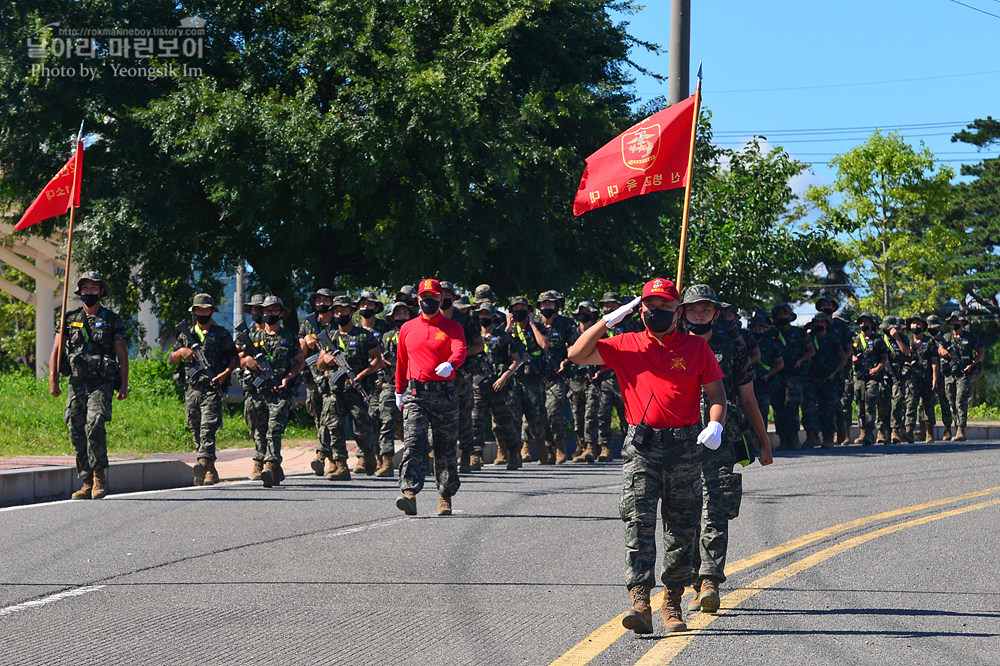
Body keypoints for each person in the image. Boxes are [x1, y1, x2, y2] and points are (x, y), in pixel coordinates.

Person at [568, 277, 727, 635]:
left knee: (681, 529)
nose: (656, 313)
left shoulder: (696, 348)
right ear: (640, 311)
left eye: (665, 307)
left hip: (685, 446)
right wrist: (608, 320)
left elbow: (717, 395)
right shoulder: (625, 344)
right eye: (649, 307)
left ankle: (671, 602)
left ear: (677, 312)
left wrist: (714, 425)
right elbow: (576, 354)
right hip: (642, 447)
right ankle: (640, 601)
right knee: (638, 523)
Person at [680, 285, 772, 616]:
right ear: (683, 312)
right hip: (678, 440)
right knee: (684, 512)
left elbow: (748, 397)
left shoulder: (732, 348)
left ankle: (709, 581)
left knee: (714, 510)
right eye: (693, 309)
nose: (699, 314)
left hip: (721, 440)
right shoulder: (671, 345)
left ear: (716, 314)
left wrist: (763, 441)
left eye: (706, 309)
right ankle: (691, 581)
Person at [49, 271, 129, 500]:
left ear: (101, 291)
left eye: (93, 288)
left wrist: (124, 384)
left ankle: (99, 477)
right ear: (79, 292)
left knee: (94, 425)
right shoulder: (69, 317)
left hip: (101, 383)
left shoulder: (113, 319)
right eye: (85, 288)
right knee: (76, 429)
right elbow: (56, 349)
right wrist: (53, 379)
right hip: (77, 383)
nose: (89, 292)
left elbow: (122, 354)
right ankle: (85, 480)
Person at [394, 279, 468, 516]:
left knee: (444, 447)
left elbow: (460, 349)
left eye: (433, 298)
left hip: (444, 394)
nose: (428, 301)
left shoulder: (452, 327)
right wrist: (398, 390)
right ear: (418, 299)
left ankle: (445, 496)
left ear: (440, 299)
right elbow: (401, 361)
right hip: (416, 394)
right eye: (424, 297)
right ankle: (409, 493)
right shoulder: (407, 328)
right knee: (414, 443)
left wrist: (451, 363)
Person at [169, 293, 239, 485]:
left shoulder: (221, 334)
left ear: (212, 311)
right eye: (199, 309)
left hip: (212, 388)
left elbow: (234, 358)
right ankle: (210, 467)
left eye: (206, 309)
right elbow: (171, 358)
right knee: (195, 427)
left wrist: (225, 374)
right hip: (192, 389)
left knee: (208, 428)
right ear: (194, 312)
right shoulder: (186, 334)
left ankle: (204, 463)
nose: (202, 313)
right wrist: (181, 352)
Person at [239, 295, 305, 486]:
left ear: (282, 313)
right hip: (257, 391)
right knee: (258, 431)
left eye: (275, 310)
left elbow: (300, 362)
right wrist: (247, 362)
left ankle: (270, 464)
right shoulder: (252, 336)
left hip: (279, 392)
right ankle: (264, 461)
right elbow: (241, 358)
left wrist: (288, 378)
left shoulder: (289, 337)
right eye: (267, 310)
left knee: (274, 430)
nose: (270, 313)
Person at [319, 294, 382, 477]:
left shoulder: (363, 336)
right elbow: (319, 365)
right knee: (335, 428)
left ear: (352, 312)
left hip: (355, 390)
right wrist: (326, 359)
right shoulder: (329, 336)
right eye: (337, 311)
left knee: (361, 430)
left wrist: (361, 376)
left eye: (344, 310)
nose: (340, 314)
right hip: (335, 391)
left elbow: (377, 359)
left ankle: (368, 454)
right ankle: (341, 465)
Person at [472, 301, 524, 469]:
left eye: (487, 315)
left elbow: (516, 360)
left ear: (493, 317)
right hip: (478, 386)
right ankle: (475, 455)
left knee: (505, 422)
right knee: (475, 421)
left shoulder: (503, 336)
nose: (483, 317)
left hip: (499, 387)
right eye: (481, 314)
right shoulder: (474, 337)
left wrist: (504, 378)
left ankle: (513, 453)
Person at [439, 281, 484, 471]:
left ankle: (467, 454)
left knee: (465, 415)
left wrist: (459, 356)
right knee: (439, 416)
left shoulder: (464, 320)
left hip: (461, 375)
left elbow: (479, 345)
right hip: (437, 377)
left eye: (448, 294)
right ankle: (437, 455)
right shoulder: (428, 319)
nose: (444, 298)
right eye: (441, 294)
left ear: (454, 298)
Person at [506, 295, 551, 463]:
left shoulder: (538, 327)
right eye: (515, 309)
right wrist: (509, 326)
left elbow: (544, 344)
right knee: (514, 417)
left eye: (522, 309)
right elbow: (500, 345)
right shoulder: (509, 329)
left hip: (533, 379)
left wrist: (532, 324)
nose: (519, 312)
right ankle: (515, 454)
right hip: (515, 379)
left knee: (536, 417)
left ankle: (542, 451)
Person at [594, 292, 637, 460]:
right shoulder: (601, 326)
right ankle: (605, 447)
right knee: (602, 413)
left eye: (612, 304)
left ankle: (632, 445)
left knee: (626, 414)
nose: (608, 308)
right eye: (605, 305)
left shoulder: (630, 325)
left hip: (625, 378)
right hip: (605, 378)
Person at [537, 290, 578, 464]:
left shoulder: (566, 323)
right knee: (539, 413)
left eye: (550, 304)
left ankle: (559, 443)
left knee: (553, 411)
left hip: (558, 375)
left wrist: (566, 361)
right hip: (537, 375)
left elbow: (575, 346)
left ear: (557, 306)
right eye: (544, 304)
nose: (547, 307)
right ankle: (548, 449)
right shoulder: (534, 325)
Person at [372, 302, 411, 476]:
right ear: (392, 317)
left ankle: (420, 456)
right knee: (386, 422)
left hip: (411, 384)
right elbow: (378, 361)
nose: (401, 316)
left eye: (405, 313)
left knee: (412, 423)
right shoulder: (385, 337)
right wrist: (381, 378)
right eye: (398, 313)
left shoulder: (414, 334)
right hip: (389, 384)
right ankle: (386, 461)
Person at [300, 288, 336, 475]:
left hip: (333, 376)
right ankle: (328, 456)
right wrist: (306, 340)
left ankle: (324, 456)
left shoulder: (338, 321)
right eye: (318, 299)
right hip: (313, 377)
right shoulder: (308, 323)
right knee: (318, 417)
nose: (322, 302)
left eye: (325, 299)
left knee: (329, 417)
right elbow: (301, 354)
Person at [769, 303, 814, 450]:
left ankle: (794, 438)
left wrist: (800, 360)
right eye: (779, 314)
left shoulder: (799, 332)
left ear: (790, 316)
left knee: (792, 405)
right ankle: (783, 439)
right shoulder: (771, 334)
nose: (782, 317)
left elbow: (810, 350)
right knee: (778, 408)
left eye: (785, 314)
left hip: (794, 376)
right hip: (776, 376)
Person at [801, 312, 848, 448]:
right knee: (808, 407)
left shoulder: (833, 340)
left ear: (826, 324)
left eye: (822, 322)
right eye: (817, 322)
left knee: (828, 408)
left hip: (828, 379)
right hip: (811, 378)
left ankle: (828, 437)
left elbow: (843, 358)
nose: (819, 325)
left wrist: (834, 373)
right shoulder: (809, 338)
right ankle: (811, 436)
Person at [939, 311, 984, 441]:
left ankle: (961, 430)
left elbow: (980, 353)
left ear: (962, 322)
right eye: (952, 321)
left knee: (961, 401)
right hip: (949, 374)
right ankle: (955, 426)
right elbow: (940, 350)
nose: (954, 323)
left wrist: (971, 364)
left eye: (956, 321)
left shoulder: (970, 337)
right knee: (951, 402)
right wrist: (948, 354)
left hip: (964, 374)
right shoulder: (946, 337)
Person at [567, 300, 602, 462]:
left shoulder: (598, 331)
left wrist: (599, 370)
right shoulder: (572, 332)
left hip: (594, 379)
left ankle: (591, 447)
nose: (583, 316)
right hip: (575, 378)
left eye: (586, 313)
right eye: (580, 312)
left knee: (590, 414)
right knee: (577, 415)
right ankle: (580, 445)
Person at [851, 312, 889, 445]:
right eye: (861, 322)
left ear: (871, 324)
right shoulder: (855, 340)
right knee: (860, 403)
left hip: (873, 377)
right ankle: (862, 431)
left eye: (866, 322)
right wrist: (853, 358)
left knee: (870, 402)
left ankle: (869, 432)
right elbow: (848, 352)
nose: (863, 324)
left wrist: (877, 369)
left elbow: (884, 359)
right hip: (859, 377)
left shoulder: (878, 340)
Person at [747, 311, 783, 447]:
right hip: (747, 383)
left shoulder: (771, 344)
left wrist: (768, 375)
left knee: (762, 412)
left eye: (760, 328)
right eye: (755, 328)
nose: (757, 331)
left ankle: (761, 442)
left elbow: (780, 363)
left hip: (765, 384)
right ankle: (750, 443)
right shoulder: (744, 343)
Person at [904, 314, 939, 443]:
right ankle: (909, 431)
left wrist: (935, 377)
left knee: (928, 406)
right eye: (913, 323)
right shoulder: (908, 341)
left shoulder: (930, 341)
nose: (915, 326)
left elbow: (934, 361)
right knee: (911, 405)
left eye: (918, 324)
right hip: (912, 380)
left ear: (923, 326)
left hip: (927, 378)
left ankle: (929, 432)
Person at [877, 316, 910, 444]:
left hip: (898, 376)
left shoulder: (903, 339)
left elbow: (906, 353)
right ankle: (881, 431)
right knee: (882, 403)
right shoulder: (880, 340)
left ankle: (895, 430)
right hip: (883, 375)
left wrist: (897, 338)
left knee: (897, 402)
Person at [927, 314, 954, 440]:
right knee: (927, 403)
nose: (933, 329)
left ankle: (947, 429)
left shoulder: (946, 338)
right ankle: (926, 429)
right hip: (928, 374)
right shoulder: (925, 339)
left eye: (935, 326)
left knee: (945, 401)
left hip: (944, 373)